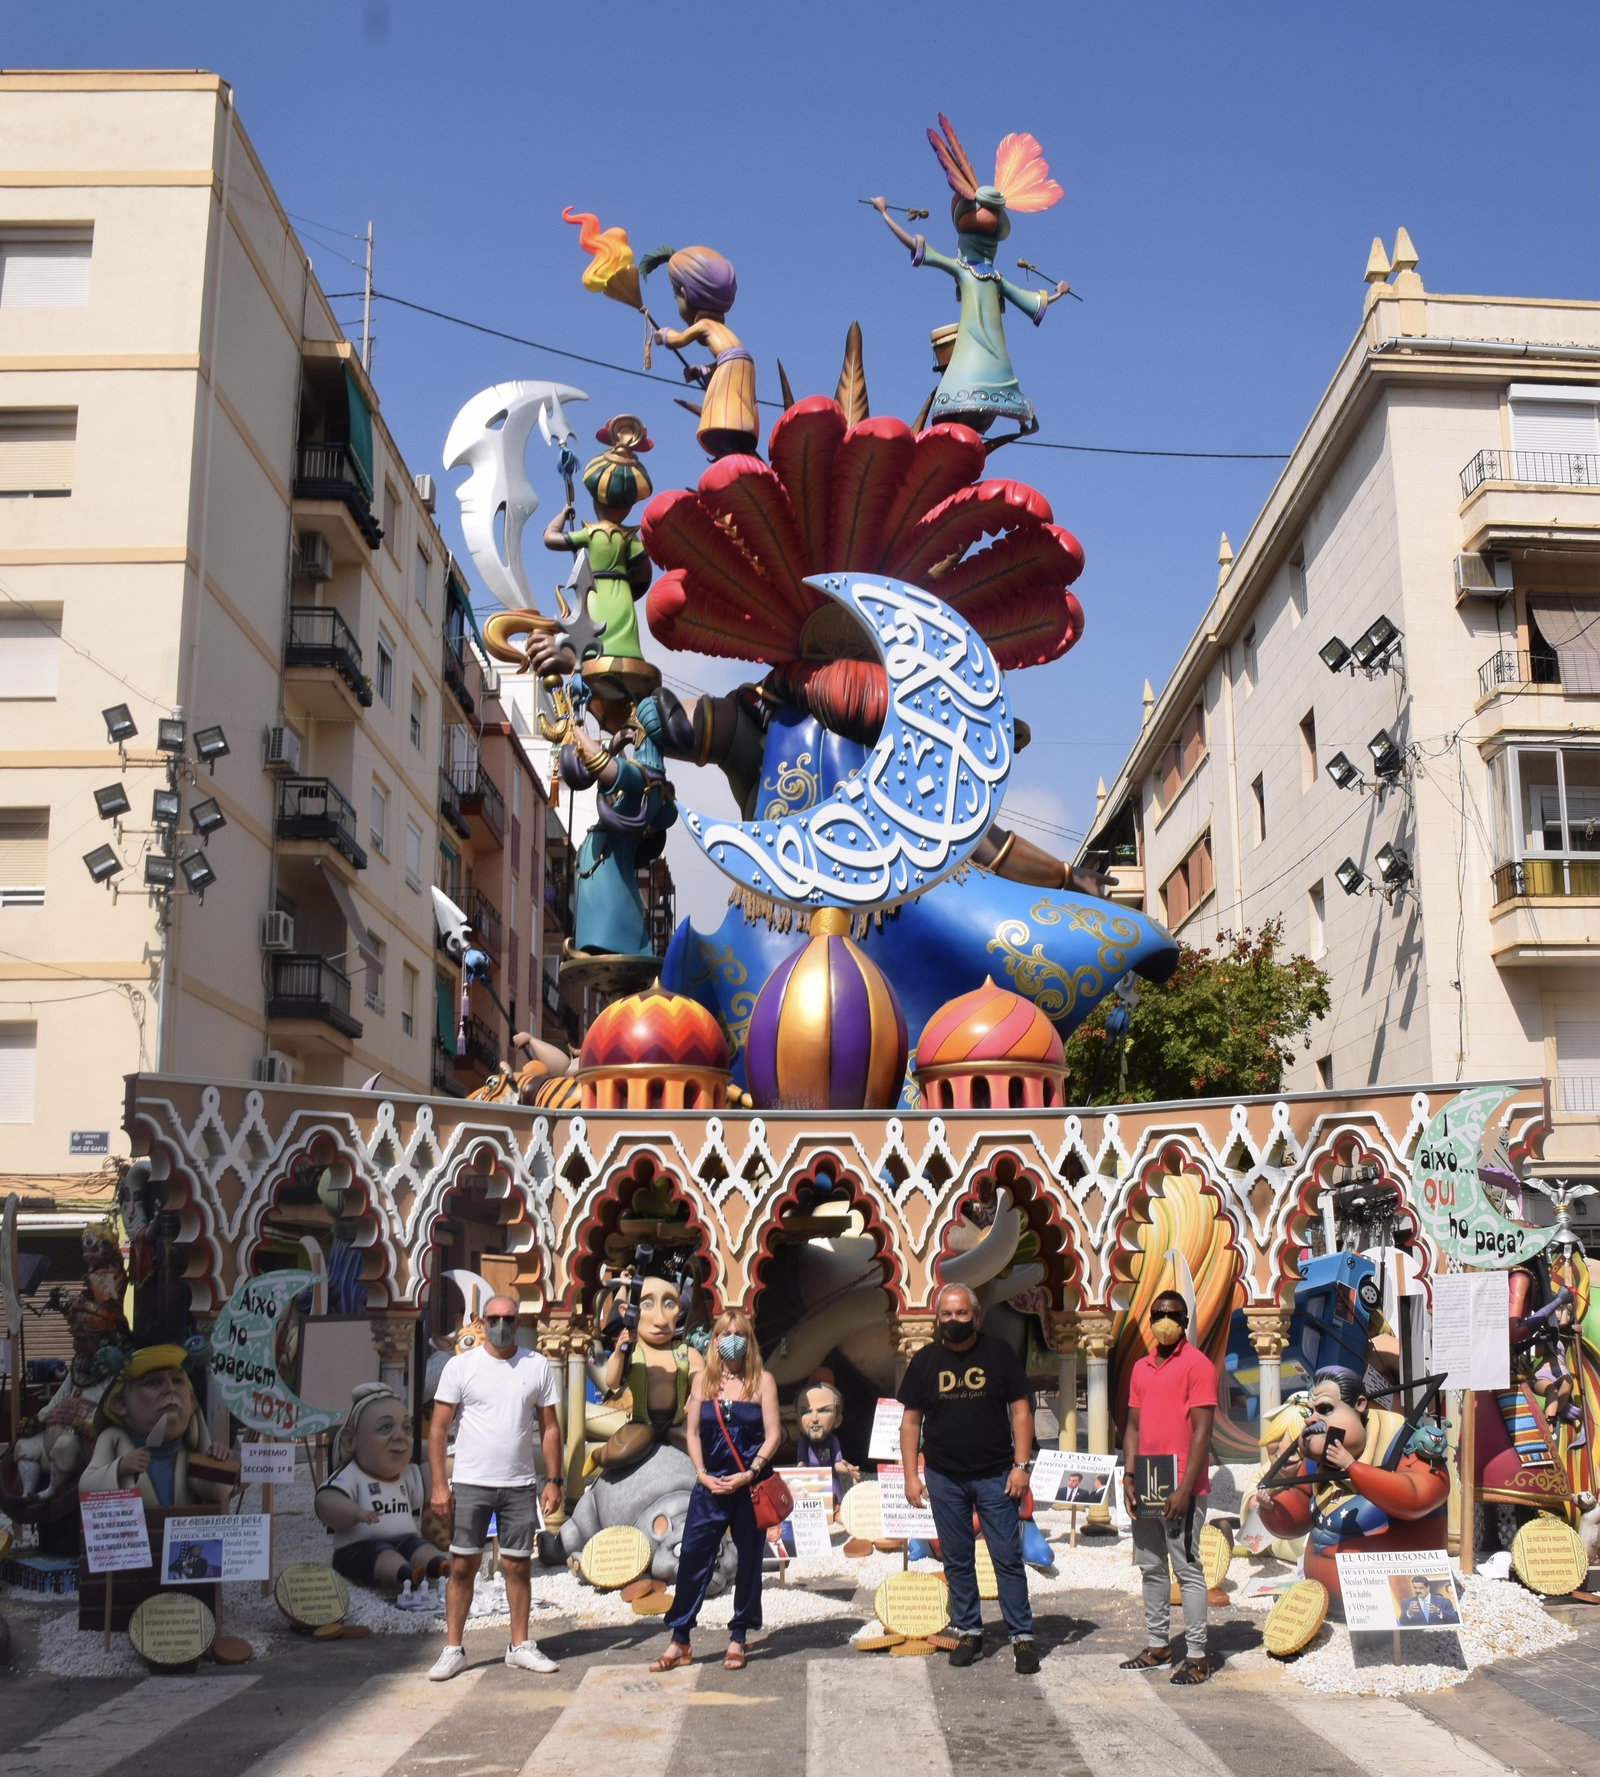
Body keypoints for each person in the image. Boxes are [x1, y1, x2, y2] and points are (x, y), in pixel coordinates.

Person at [899, 1282, 1039, 1675]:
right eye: (947, 1314)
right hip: (944, 1477)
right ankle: (970, 1631)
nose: (954, 1320)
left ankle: (1022, 1636)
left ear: (976, 1316)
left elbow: (1021, 1412)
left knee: (1007, 1557)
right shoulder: (924, 1362)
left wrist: (1021, 1465)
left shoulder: (999, 1354)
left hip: (996, 1474)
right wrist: (912, 1476)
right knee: (957, 1559)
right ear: (937, 1317)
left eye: (962, 1314)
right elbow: (910, 1423)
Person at [426, 1295, 564, 1680]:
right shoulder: (461, 1366)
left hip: (518, 1484)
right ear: (482, 1322)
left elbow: (550, 1427)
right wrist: (439, 1484)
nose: (502, 1324)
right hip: (471, 1482)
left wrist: (553, 1480)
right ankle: (453, 1648)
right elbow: (438, 1427)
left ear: (518, 1321)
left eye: (509, 1318)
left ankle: (519, 1644)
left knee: (517, 1566)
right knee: (463, 1565)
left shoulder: (535, 1365)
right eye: (494, 1318)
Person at [649, 1308, 780, 1673]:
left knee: (750, 1561)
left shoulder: (762, 1382)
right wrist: (701, 1473)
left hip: (747, 1485)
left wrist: (751, 1471)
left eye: (740, 1334)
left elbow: (774, 1434)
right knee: (692, 1556)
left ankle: (739, 1635)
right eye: (725, 1334)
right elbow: (692, 1433)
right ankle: (680, 1639)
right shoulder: (702, 1382)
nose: (732, 1341)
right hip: (710, 1485)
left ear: (749, 1340)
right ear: (715, 1339)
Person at [1120, 1290, 1217, 1685]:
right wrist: (1127, 1476)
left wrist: (1184, 1487)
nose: (1164, 1321)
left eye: (1173, 1315)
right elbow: (1132, 1427)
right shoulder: (1141, 1367)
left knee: (1187, 1569)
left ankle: (1197, 1656)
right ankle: (1158, 1645)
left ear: (1185, 1321)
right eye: (1158, 1314)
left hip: (1182, 1487)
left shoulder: (1198, 1366)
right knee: (1151, 1567)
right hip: (1145, 1481)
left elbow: (1202, 1433)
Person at [315, 1383, 449, 1593]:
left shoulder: (405, 1475)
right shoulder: (352, 1475)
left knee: (422, 1548)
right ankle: (406, 1575)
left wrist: (460, 1463)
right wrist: (355, 1513)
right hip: (359, 1548)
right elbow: (326, 1500)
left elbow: (433, 1474)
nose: (400, 1436)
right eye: (386, 1427)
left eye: (406, 1427)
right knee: (383, 1555)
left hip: (406, 1541)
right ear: (351, 1440)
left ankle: (439, 1567)